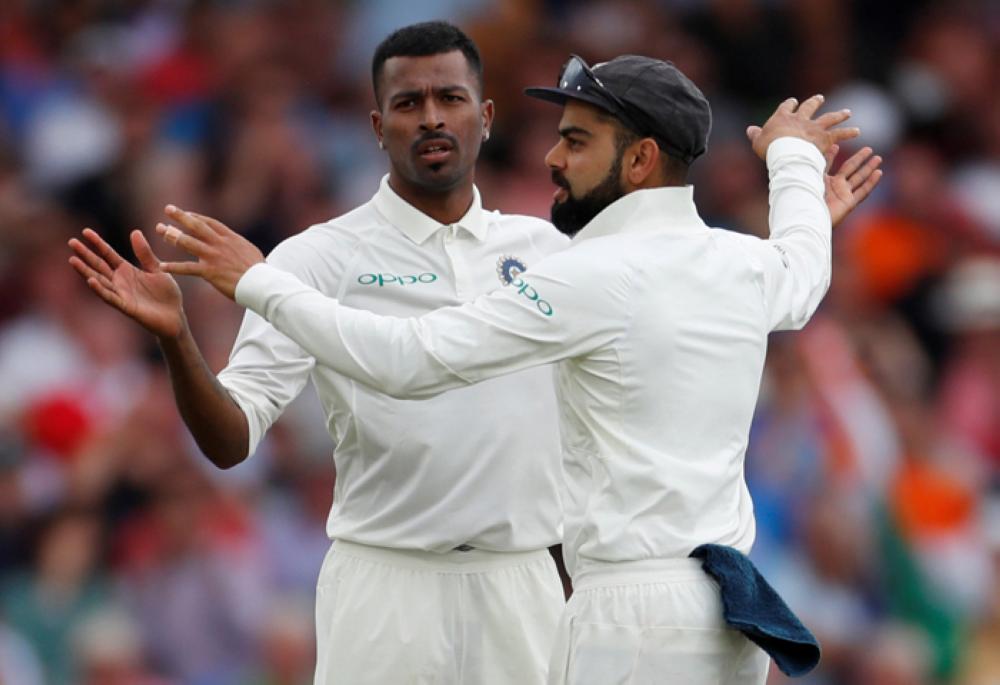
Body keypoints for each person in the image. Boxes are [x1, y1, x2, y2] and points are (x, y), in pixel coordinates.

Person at [135, 54, 882, 684]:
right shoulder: (744, 263)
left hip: (628, 617)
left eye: (577, 142)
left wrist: (259, 282)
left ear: (641, 158)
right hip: (726, 618)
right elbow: (803, 265)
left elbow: (409, 360)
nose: (552, 159)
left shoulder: (586, 276)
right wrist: (792, 156)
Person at [69, 22, 570, 685]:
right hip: (387, 581)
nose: (430, 118)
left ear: (486, 114)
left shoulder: (545, 252)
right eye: (407, 103)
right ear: (375, 124)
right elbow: (230, 438)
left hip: (523, 578)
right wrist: (177, 338)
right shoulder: (316, 257)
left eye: (449, 98)